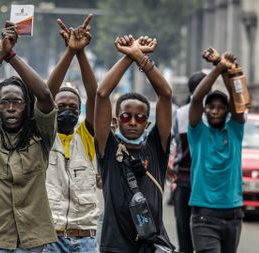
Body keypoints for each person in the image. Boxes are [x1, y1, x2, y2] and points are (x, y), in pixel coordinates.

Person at [0, 22, 57, 252]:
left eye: (17, 102)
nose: (11, 108)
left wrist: (11, 55)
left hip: (32, 241)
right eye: (4, 102)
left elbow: (45, 95)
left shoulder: (41, 135)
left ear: (27, 107)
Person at [94, 35, 174, 252]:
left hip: (151, 245)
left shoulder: (156, 148)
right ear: (116, 119)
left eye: (139, 118)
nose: (132, 122)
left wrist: (141, 58)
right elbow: (102, 94)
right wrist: (128, 57)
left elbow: (165, 94)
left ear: (147, 123)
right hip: (115, 246)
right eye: (125, 116)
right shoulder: (108, 148)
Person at [42, 14, 101, 253]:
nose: (67, 111)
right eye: (61, 107)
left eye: (73, 108)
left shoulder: (86, 137)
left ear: (81, 111)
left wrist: (81, 53)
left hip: (85, 239)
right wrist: (69, 53)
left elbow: (95, 94)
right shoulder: (42, 137)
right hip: (50, 239)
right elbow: (46, 93)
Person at [188, 48, 245, 253]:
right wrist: (219, 67)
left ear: (227, 111)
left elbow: (239, 102)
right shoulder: (198, 133)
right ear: (205, 110)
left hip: (233, 215)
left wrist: (225, 70)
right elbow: (196, 99)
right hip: (204, 216)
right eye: (211, 107)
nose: (215, 111)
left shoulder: (235, 131)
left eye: (220, 107)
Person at [170, 71, 206, 253]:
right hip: (204, 183)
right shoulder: (215, 112)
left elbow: (174, 144)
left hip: (183, 182)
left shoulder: (180, 114)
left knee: (185, 238)